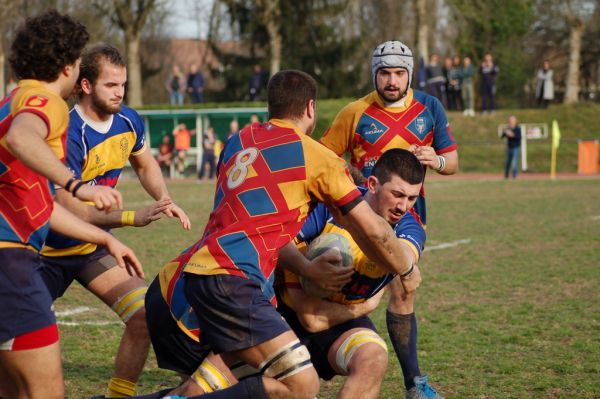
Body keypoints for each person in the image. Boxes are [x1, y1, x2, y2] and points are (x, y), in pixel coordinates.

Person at [141, 69, 422, 399]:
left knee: (265, 385)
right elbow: (373, 229)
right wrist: (405, 268)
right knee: (302, 385)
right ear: (311, 108)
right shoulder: (315, 156)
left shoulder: (237, 140)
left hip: (203, 273)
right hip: (236, 279)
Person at [0, 11, 142, 399]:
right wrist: (77, 185)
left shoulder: (11, 99)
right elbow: (20, 137)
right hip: (10, 266)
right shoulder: (45, 102)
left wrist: (106, 238)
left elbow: (40, 205)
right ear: (68, 65)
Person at [39, 44, 190, 398]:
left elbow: (145, 164)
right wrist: (130, 218)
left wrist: (163, 199)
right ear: (86, 85)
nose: (120, 92)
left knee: (145, 315)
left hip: (91, 249)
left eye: (122, 84)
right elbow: (70, 207)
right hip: (44, 252)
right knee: (19, 337)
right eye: (111, 85)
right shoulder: (67, 131)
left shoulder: (128, 121)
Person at [320, 40, 459, 399]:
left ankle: (414, 385)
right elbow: (324, 156)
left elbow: (453, 161)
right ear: (374, 74)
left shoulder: (430, 107)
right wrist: (351, 174)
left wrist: (436, 160)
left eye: (399, 73)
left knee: (404, 288)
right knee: (340, 281)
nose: (392, 80)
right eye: (385, 73)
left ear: (409, 74)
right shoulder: (355, 112)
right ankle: (316, 355)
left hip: (410, 217)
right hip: (359, 215)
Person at [276, 149, 427, 399]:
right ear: (373, 184)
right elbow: (281, 245)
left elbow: (404, 259)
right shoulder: (332, 204)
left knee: (374, 358)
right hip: (283, 315)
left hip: (339, 321)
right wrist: (308, 268)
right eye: (397, 194)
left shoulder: (409, 226)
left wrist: (406, 267)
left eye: (411, 198)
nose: (403, 206)